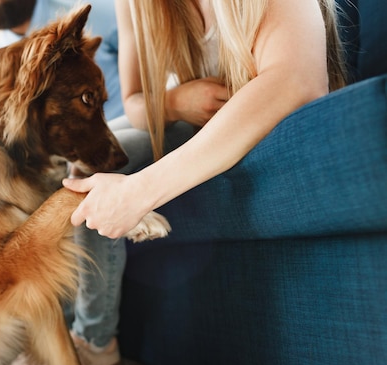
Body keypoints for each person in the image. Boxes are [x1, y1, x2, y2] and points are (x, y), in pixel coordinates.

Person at [64, 0, 346, 239]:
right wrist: (175, 102)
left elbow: (297, 81)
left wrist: (137, 191)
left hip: (259, 130)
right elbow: (135, 102)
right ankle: (93, 307)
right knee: (83, 164)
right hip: (197, 125)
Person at [0, 0, 129, 365]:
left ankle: (95, 341)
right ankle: (50, 345)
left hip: (124, 128)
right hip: (67, 146)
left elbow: (146, 71)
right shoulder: (15, 45)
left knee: (83, 183)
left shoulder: (78, 17)